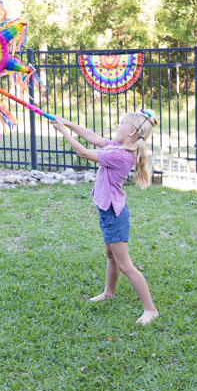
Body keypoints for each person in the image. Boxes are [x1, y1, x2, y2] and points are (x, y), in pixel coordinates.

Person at [51, 109, 160, 325]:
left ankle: (150, 309)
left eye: (121, 123)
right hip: (108, 211)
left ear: (131, 131)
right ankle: (109, 292)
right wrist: (68, 123)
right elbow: (91, 136)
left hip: (114, 214)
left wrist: (64, 132)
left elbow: (83, 152)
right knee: (111, 256)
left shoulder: (120, 155)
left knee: (125, 265)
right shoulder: (118, 146)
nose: (117, 125)